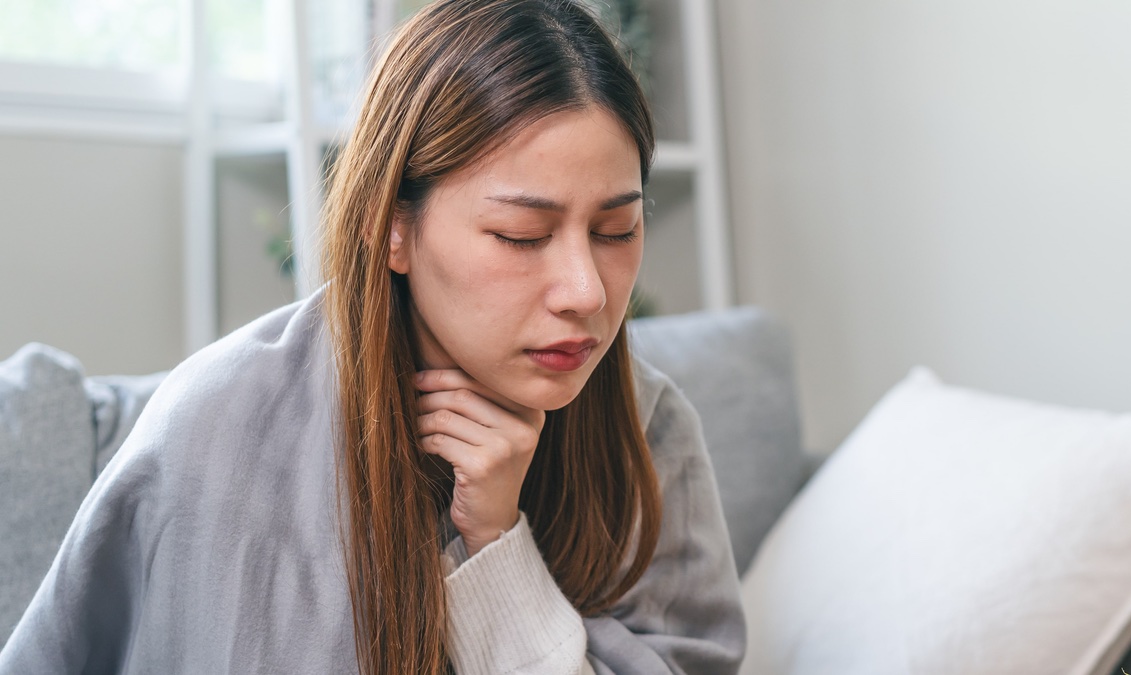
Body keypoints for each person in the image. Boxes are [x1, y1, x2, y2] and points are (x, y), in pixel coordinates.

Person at [0, 0, 745, 673]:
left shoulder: (648, 430)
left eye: (617, 228)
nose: (586, 291)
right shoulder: (222, 425)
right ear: (391, 228)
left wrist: (498, 546)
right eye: (522, 235)